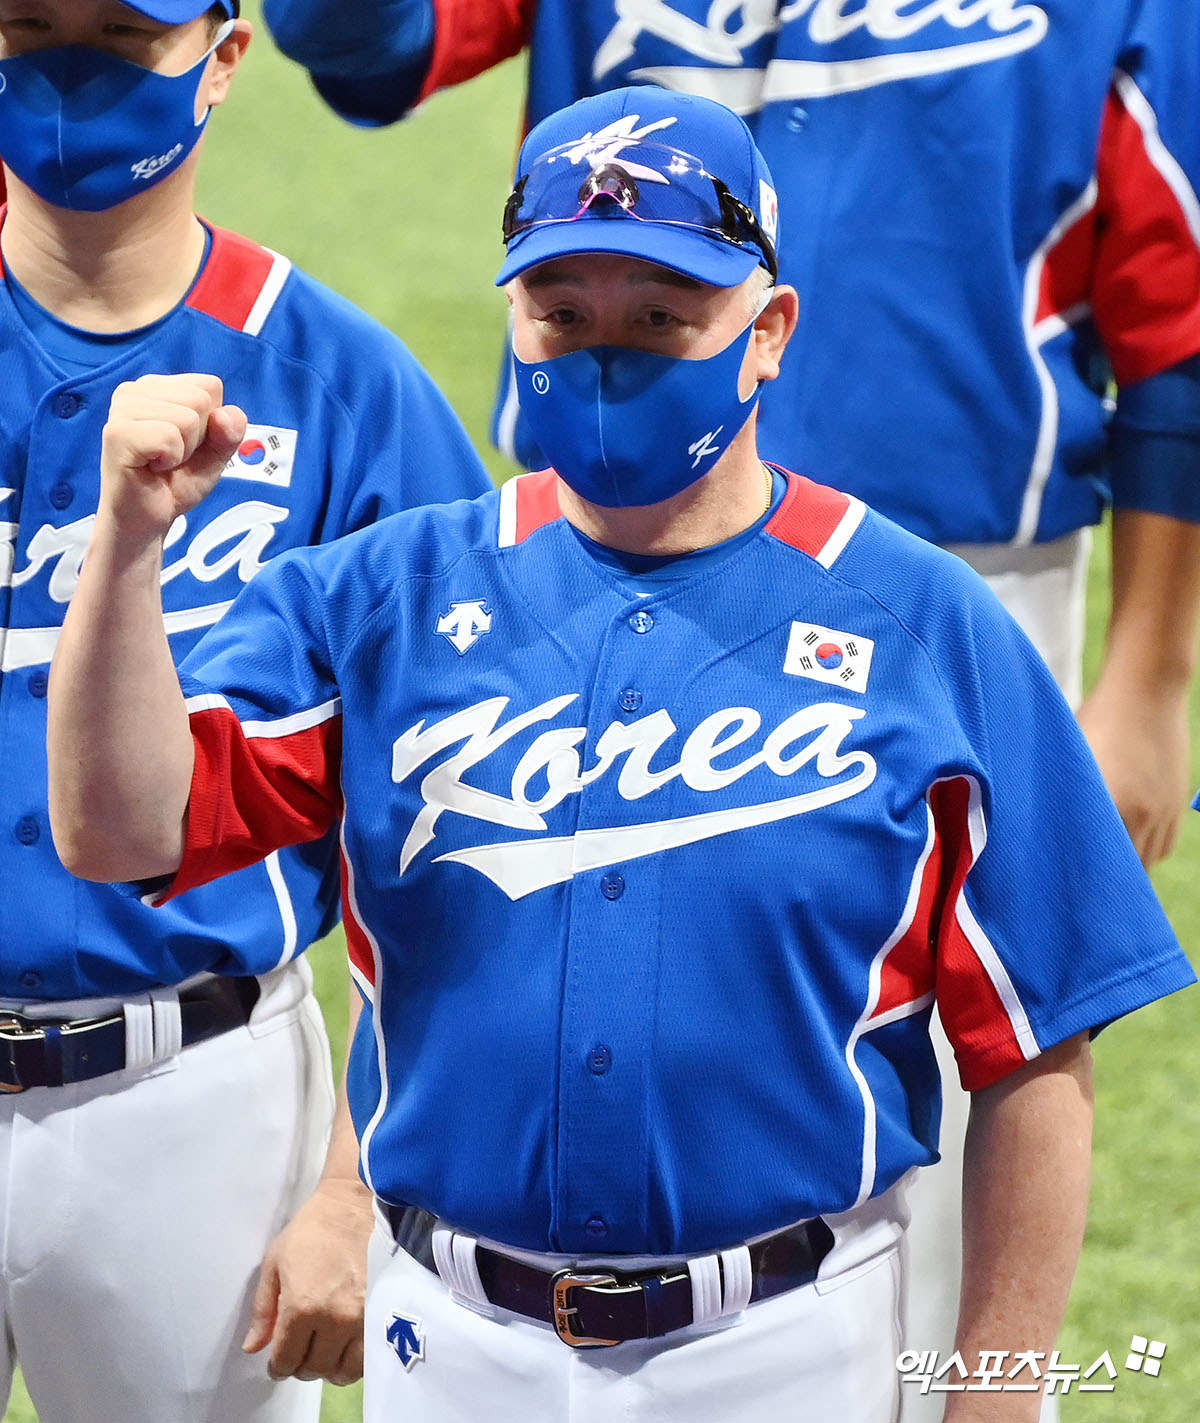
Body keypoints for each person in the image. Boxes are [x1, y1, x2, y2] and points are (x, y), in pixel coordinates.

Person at [46, 86, 1195, 1423]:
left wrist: (998, 1390)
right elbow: (121, 831)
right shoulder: (376, 599)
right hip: (453, 1345)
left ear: (766, 333)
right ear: (515, 320)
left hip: (796, 1347)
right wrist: (125, 551)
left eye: (662, 318)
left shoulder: (924, 623)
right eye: (565, 316)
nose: (607, 360)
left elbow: (1040, 1053)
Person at [0, 2, 490, 1420]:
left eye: (118, 35)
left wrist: (355, 1183)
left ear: (223, 58)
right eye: (31, 28)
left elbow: (445, 849)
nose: (67, 74)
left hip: (195, 1099)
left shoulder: (349, 392)